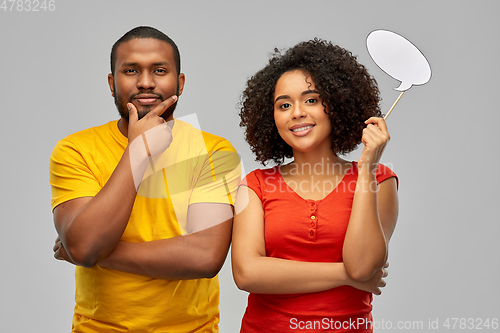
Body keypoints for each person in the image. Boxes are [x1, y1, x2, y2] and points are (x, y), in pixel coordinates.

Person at [49, 26, 240, 332]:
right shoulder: (75, 150)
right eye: (131, 70)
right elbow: (84, 247)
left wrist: (98, 254)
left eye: (159, 70)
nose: (146, 82)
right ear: (112, 83)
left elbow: (205, 257)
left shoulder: (213, 151)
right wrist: (138, 153)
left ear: (180, 82)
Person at [232, 38, 399, 332]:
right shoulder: (255, 185)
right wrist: (344, 276)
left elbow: (361, 265)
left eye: (311, 100)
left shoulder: (379, 179)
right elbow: (247, 273)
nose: (297, 112)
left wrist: (367, 167)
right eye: (284, 105)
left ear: (336, 104)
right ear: (271, 118)